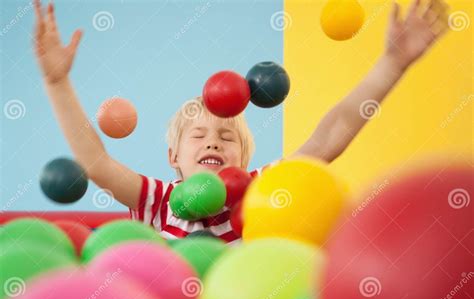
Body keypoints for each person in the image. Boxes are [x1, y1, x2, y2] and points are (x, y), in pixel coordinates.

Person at [33, 0, 448, 242]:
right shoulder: (155, 200)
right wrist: (57, 82)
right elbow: (96, 164)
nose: (212, 142)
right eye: (198, 134)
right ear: (173, 156)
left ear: (245, 156)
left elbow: (329, 138)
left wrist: (392, 63)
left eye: (226, 136)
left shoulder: (259, 190)